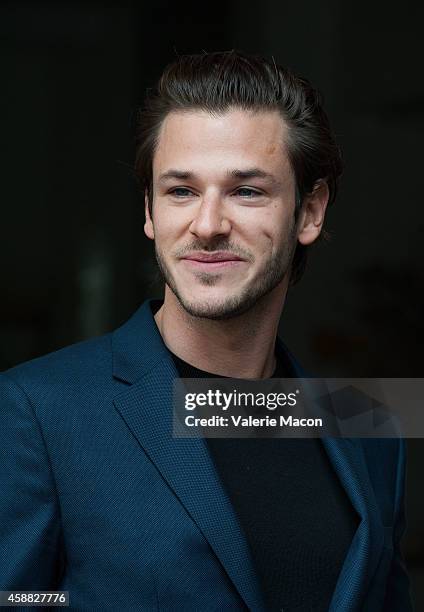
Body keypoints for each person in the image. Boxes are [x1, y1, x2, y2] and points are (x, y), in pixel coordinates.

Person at [0, 51, 412, 611]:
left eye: (246, 191)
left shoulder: (367, 420)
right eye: (180, 191)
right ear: (149, 211)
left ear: (310, 212)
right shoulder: (34, 408)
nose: (208, 225)